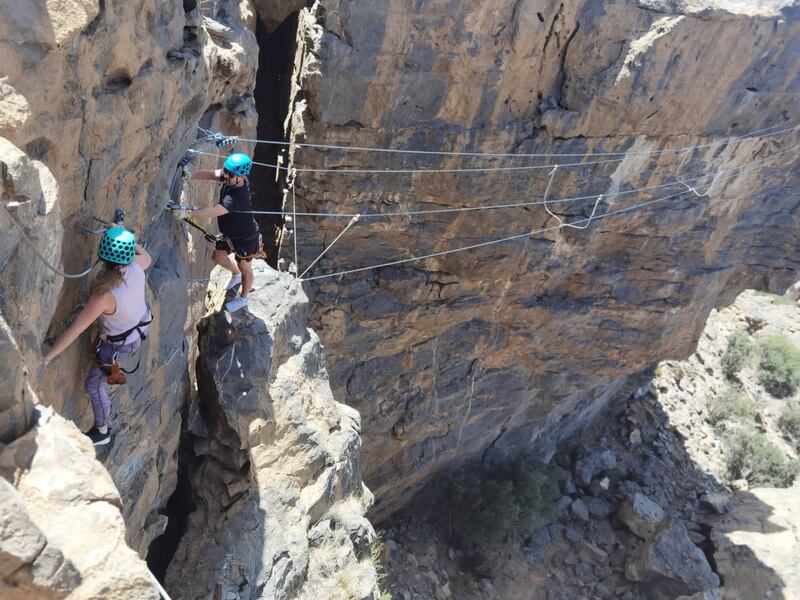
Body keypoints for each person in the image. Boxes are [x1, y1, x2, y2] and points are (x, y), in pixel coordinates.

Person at [44, 227, 152, 446]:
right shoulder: (135, 267)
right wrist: (126, 235)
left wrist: (47, 357)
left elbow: (74, 330)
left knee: (94, 384)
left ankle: (102, 431)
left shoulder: (103, 297)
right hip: (139, 326)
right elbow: (147, 257)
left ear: (102, 256)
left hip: (120, 344)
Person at [176, 152, 261, 313]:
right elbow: (212, 174)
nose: (226, 176)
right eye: (226, 172)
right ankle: (235, 275)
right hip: (230, 233)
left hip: (244, 237)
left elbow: (212, 212)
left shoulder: (237, 197)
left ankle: (243, 299)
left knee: (246, 268)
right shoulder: (233, 178)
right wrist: (189, 174)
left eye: (230, 174)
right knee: (218, 257)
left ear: (241, 177)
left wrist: (188, 212)